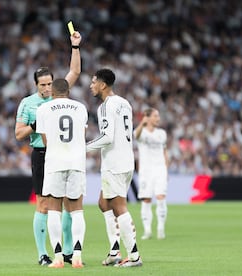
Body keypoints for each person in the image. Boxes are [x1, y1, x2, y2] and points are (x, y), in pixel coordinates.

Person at [14, 31, 82, 266]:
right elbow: (19, 133)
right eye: (42, 85)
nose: (47, 88)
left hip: (63, 154)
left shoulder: (59, 95)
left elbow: (75, 72)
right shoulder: (28, 104)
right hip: (42, 155)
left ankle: (68, 251)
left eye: (50, 83)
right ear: (36, 85)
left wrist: (75, 47)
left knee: (67, 203)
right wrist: (36, 124)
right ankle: (43, 253)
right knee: (44, 204)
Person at [86, 68, 142, 268]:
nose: (91, 85)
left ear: (102, 85)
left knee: (119, 208)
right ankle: (114, 251)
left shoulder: (105, 106)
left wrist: (84, 147)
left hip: (114, 163)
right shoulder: (125, 103)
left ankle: (134, 256)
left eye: (93, 82)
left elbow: (108, 137)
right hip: (127, 160)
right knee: (103, 203)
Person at [36, 78, 88, 268]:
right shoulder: (80, 107)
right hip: (76, 162)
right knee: (77, 210)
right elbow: (81, 136)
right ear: (68, 91)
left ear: (53, 92)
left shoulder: (43, 109)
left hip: (55, 162)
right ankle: (77, 255)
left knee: (54, 210)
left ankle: (57, 257)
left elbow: (45, 140)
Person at [133, 107, 169, 240]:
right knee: (146, 199)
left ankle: (160, 227)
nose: (158, 118)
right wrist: (142, 123)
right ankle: (147, 230)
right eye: (155, 116)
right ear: (147, 118)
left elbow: (165, 152)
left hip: (160, 169)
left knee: (160, 197)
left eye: (158, 116)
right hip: (146, 170)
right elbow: (135, 135)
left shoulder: (162, 133)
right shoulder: (141, 133)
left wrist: (166, 169)